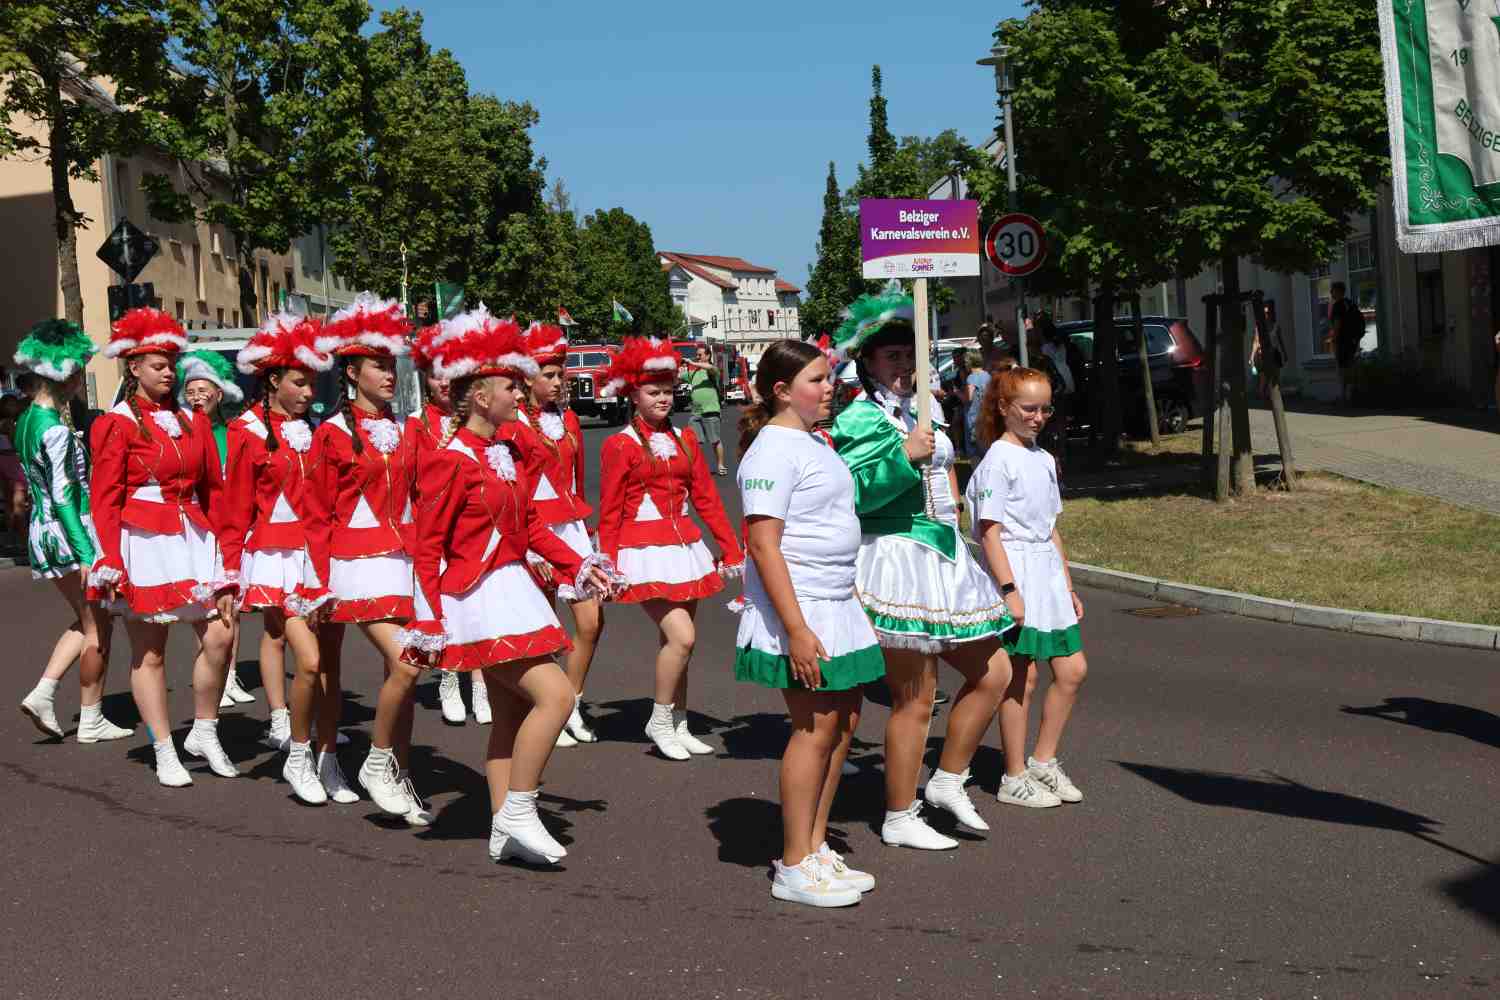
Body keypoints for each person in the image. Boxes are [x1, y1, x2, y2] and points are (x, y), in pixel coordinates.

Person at [398, 310, 614, 864]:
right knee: (558, 696)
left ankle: (502, 829)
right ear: (477, 396)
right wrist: (428, 618)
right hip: (480, 600)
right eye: (509, 386)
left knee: (511, 716)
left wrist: (579, 564)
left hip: (515, 589)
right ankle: (520, 807)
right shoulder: (449, 461)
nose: (520, 394)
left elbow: (532, 526)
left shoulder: (506, 452)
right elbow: (427, 546)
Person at [828, 281, 1015, 850]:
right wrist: (903, 459)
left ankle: (948, 780)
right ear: (867, 362)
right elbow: (853, 494)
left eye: (911, 354)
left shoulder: (920, 409)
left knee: (996, 672)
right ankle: (899, 813)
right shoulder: (860, 419)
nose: (904, 364)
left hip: (942, 553)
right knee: (915, 696)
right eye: (892, 355)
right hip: (894, 558)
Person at [736, 340, 883, 908]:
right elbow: (764, 544)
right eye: (817, 380)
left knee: (844, 723)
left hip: (835, 602)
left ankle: (816, 845)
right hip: (801, 608)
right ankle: (793, 863)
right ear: (781, 390)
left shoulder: (814, 441)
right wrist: (796, 629)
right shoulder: (772, 450)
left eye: (828, 379)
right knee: (814, 727)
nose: (829, 389)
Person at [87, 307, 238, 787]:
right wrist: (109, 556)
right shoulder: (118, 423)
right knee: (150, 651)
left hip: (193, 536)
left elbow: (213, 490)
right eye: (159, 365)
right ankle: (163, 746)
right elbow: (105, 498)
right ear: (133, 368)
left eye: (172, 364)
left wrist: (227, 554)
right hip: (144, 542)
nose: (170, 373)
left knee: (220, 635)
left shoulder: (192, 421)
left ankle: (204, 728)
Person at [308, 292, 428, 823]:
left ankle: (400, 774)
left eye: (392, 365)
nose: (389, 374)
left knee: (400, 667)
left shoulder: (403, 430)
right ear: (352, 371)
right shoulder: (331, 434)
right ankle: (359, 760)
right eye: (379, 366)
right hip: (351, 566)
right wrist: (316, 582)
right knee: (405, 662)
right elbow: (316, 516)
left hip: (399, 561)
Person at [597, 337, 744, 761]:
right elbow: (609, 510)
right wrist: (606, 562)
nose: (662, 399)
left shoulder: (685, 439)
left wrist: (729, 546)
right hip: (641, 552)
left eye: (666, 391)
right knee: (682, 636)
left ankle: (679, 722)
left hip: (684, 549)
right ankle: (660, 719)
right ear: (633, 395)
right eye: (652, 392)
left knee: (680, 643)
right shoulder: (619, 445)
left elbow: (706, 498)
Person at [221, 314, 345, 804]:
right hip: (272, 559)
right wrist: (229, 576)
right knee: (309, 661)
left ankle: (321, 754)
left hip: (314, 559)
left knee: (325, 665)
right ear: (272, 380)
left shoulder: (308, 431)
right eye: (298, 381)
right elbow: (234, 510)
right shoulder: (246, 432)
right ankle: (297, 753)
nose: (307, 389)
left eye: (311, 381)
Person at [967, 366, 1088, 809]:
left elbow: (1052, 529)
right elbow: (989, 531)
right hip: (1015, 570)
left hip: (1047, 574)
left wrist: (1068, 585)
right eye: (1029, 408)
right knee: (1023, 676)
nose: (1038, 417)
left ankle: (1043, 760)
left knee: (1072, 670)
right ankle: (1013, 774)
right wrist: (1008, 589)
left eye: (1045, 409)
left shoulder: (1042, 459)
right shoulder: (997, 461)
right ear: (1003, 408)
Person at [12, 320, 130, 744]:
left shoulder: (25, 422)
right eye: (79, 369)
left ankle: (46, 693)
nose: (81, 377)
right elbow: (64, 496)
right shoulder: (56, 430)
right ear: (66, 374)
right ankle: (90, 715)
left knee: (87, 619)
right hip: (69, 532)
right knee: (99, 624)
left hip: (43, 534)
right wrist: (87, 554)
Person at [518, 321, 610, 747]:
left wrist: (586, 534)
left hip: (570, 529)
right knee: (543, 626)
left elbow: (575, 480)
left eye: (561, 374)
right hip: (532, 529)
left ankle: (571, 701)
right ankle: (545, 709)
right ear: (527, 378)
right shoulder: (515, 424)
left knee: (591, 621)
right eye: (548, 375)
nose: (558, 382)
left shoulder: (570, 419)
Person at [407, 321, 485, 727]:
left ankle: (484, 683)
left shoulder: (475, 423)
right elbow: (410, 483)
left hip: (472, 530)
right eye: (436, 374)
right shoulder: (416, 425)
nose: (443, 382)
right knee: (448, 607)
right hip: (435, 527)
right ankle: (449, 681)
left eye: (450, 375)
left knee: (480, 601)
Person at [177, 349, 259, 711]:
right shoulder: (180, 432)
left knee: (232, 604)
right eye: (190, 390)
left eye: (203, 389)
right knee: (208, 610)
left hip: (233, 525)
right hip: (199, 527)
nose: (196, 397)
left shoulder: (237, 433)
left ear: (220, 393)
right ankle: (215, 677)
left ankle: (229, 675)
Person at [681, 345, 727, 476]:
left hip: (710, 411)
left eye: (700, 355)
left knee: (715, 440)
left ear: (707, 356)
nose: (697, 357)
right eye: (697, 355)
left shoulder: (712, 370)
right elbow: (677, 377)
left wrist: (692, 363)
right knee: (694, 441)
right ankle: (696, 467)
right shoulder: (693, 372)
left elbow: (710, 368)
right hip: (696, 412)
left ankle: (720, 465)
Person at [1326, 282, 1362, 405]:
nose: (1331, 293)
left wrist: (1333, 339)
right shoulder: (1351, 303)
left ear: (1338, 291)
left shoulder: (1338, 305)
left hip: (1342, 342)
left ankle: (1344, 396)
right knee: (1351, 367)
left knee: (1342, 369)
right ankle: (1351, 394)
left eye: (1332, 290)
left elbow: (1337, 324)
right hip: (1353, 341)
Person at [1251, 300, 1286, 401]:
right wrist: (1252, 357)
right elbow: (1256, 342)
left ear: (1271, 314)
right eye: (1264, 313)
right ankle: (1262, 397)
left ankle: (1276, 397)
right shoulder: (1259, 327)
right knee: (1263, 378)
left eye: (1268, 313)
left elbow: (1280, 341)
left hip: (1274, 353)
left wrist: (1284, 353)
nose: (1266, 315)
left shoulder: (1276, 326)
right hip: (1263, 354)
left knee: (1276, 377)